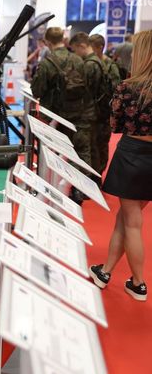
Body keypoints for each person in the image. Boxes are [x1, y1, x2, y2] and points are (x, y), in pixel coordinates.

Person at [89, 29, 152, 302]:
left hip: (132, 154)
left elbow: (115, 125)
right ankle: (105, 271)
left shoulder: (128, 87)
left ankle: (139, 283)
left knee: (132, 223)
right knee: (125, 220)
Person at [31, 27, 93, 169]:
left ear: (47, 42)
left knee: (53, 156)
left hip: (54, 117)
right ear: (62, 39)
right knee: (80, 156)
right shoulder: (78, 59)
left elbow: (37, 90)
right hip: (78, 114)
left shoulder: (47, 63)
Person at [69, 32, 107, 180]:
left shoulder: (90, 65)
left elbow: (84, 91)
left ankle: (87, 182)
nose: (75, 53)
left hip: (88, 112)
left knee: (86, 149)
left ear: (82, 46)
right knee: (93, 148)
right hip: (94, 111)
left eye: (75, 49)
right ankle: (94, 179)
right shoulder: (97, 61)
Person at [89, 34, 122, 176]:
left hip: (103, 113)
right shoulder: (89, 63)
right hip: (89, 112)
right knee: (89, 145)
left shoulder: (110, 65)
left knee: (101, 144)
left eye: (92, 47)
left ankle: (98, 174)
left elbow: (116, 89)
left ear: (100, 47)